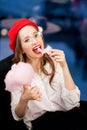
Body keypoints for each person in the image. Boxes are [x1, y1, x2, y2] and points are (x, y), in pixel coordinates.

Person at [4, 18, 80, 130]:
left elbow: (72, 102)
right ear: (22, 50)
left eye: (36, 35)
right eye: (27, 40)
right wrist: (24, 98)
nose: (34, 41)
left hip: (67, 117)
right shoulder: (17, 73)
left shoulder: (55, 61)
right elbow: (18, 116)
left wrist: (64, 66)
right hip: (41, 124)